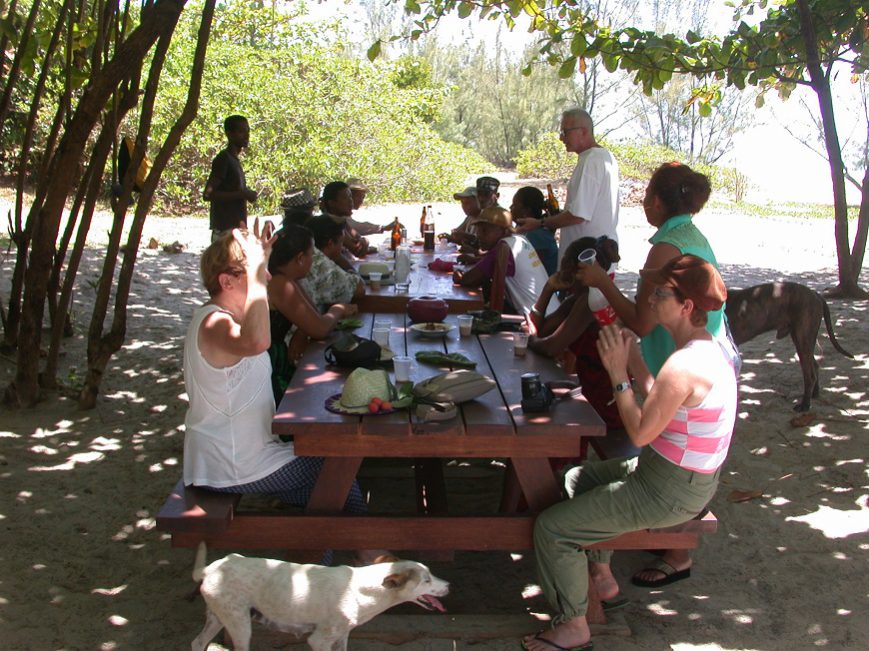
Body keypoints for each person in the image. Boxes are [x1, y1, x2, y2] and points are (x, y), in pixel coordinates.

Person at [523, 255, 737, 651]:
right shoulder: (706, 351)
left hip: (670, 488)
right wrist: (636, 360)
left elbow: (640, 429)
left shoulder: (685, 364)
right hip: (675, 475)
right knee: (577, 478)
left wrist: (619, 373)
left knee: (552, 529)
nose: (649, 298)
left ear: (686, 306)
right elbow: (665, 399)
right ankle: (602, 573)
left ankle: (573, 626)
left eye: (659, 293)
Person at [575, 161, 737, 588]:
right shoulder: (692, 235)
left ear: (659, 202)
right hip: (700, 356)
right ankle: (662, 545)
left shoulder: (665, 247)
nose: (644, 205)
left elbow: (642, 323)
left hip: (680, 366)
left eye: (647, 198)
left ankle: (673, 549)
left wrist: (600, 282)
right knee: (681, 451)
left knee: (653, 448)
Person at [182, 222, 366, 522]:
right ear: (227, 282)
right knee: (335, 467)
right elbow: (257, 342)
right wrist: (256, 277)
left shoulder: (227, 318)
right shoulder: (214, 323)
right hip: (233, 464)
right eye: (257, 271)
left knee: (327, 500)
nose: (266, 276)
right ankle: (373, 555)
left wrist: (257, 266)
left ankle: (365, 555)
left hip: (248, 456)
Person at [527, 239, 622, 431]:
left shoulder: (591, 301)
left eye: (566, 266)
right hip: (589, 387)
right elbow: (542, 330)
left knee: (538, 414)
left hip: (604, 400)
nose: (562, 273)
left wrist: (530, 340)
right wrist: (549, 288)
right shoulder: (577, 298)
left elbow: (551, 346)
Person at [266, 224, 358, 402]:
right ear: (300, 258)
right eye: (312, 255)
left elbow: (311, 314)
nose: (314, 261)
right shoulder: (279, 284)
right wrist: (338, 310)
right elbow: (319, 329)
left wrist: (302, 330)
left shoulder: (287, 278)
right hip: (269, 361)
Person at [517, 108, 619, 264]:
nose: (561, 138)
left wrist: (540, 223)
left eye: (565, 132)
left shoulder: (592, 160)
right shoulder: (605, 157)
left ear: (583, 131)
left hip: (586, 260)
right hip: (595, 255)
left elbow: (578, 215)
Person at [453, 206, 556, 318]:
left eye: (485, 231)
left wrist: (459, 276)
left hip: (540, 320)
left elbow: (469, 280)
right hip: (551, 313)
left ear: (505, 231)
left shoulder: (503, 247)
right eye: (479, 230)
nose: (479, 235)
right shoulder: (519, 240)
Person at [203, 115, 258, 239]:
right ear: (229, 134)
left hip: (235, 231)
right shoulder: (224, 159)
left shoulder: (233, 160)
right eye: (241, 131)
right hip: (225, 232)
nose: (246, 135)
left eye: (247, 131)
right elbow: (208, 194)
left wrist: (245, 193)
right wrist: (243, 194)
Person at [300, 215, 365, 313]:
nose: (343, 248)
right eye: (341, 243)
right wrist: (339, 258)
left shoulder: (303, 253)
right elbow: (360, 289)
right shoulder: (321, 264)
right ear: (330, 243)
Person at [510, 186, 558, 276]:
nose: (510, 207)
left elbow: (532, 269)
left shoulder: (537, 235)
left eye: (514, 205)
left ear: (526, 211)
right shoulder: (523, 228)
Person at [320, 181, 369, 265]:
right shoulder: (330, 225)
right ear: (332, 203)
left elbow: (357, 237)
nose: (351, 202)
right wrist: (365, 241)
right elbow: (358, 250)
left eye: (350, 197)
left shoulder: (341, 221)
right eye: (345, 198)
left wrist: (363, 241)